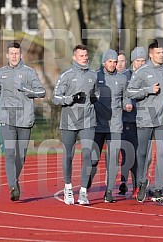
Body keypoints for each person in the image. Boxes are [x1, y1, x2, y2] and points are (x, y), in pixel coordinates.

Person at [0, 42, 46, 201]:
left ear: (21, 55)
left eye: (16, 53)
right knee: (10, 153)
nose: (14, 56)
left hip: (24, 118)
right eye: (11, 53)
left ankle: (15, 179)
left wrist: (25, 90)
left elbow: (41, 92)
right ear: (7, 55)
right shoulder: (1, 72)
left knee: (21, 156)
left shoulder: (29, 72)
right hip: (7, 117)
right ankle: (13, 186)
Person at [126, 40, 163, 203]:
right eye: (159, 53)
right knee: (142, 154)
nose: (162, 55)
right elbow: (131, 92)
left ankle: (158, 189)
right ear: (151, 54)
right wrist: (148, 90)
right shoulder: (141, 72)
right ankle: (141, 183)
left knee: (162, 154)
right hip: (145, 118)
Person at [52, 44, 99, 205]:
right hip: (69, 121)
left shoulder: (93, 75)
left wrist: (95, 97)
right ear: (74, 57)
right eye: (81, 56)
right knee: (69, 155)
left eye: (86, 55)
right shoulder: (66, 75)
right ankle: (68, 188)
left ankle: (84, 192)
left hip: (88, 120)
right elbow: (55, 98)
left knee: (87, 154)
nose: (85, 58)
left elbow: (97, 92)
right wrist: (70, 98)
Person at [89, 49, 131, 203]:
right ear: (103, 62)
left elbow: (126, 96)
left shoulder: (122, 79)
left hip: (115, 125)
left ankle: (108, 192)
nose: (113, 64)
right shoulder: (95, 76)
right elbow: (89, 95)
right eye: (110, 61)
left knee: (113, 159)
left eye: (115, 62)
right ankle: (87, 182)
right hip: (98, 125)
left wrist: (127, 104)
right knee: (93, 159)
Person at [116, 49, 146, 198]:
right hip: (128, 120)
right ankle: (133, 185)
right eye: (138, 60)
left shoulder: (148, 75)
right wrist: (125, 104)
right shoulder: (124, 77)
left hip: (145, 120)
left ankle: (140, 183)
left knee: (143, 154)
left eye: (143, 60)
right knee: (129, 153)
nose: (140, 63)